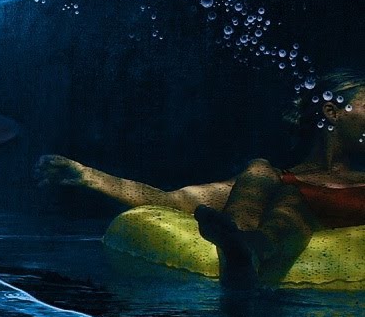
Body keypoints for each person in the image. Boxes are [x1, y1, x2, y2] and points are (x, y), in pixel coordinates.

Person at [37, 68, 365, 287]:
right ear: (332, 112)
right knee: (263, 173)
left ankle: (248, 250)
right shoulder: (280, 180)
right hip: (274, 225)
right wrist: (87, 175)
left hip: (324, 240)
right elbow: (175, 201)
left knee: (293, 203)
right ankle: (240, 250)